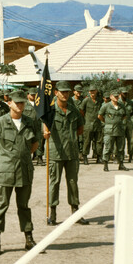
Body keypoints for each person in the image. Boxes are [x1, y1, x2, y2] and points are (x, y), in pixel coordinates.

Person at [0, 90, 40, 256]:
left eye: (22, 103)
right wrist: (0, 158)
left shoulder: (29, 122)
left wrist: (25, 156)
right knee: (2, 205)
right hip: (6, 171)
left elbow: (35, 143)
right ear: (9, 103)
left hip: (24, 170)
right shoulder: (0, 123)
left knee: (24, 206)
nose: (20, 105)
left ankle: (29, 239)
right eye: (17, 102)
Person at [44, 81, 89, 226]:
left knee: (73, 182)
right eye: (62, 92)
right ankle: (53, 213)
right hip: (55, 153)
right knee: (54, 182)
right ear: (56, 92)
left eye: (67, 92)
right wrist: (45, 132)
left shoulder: (73, 109)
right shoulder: (50, 111)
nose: (65, 94)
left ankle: (75, 212)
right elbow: (44, 127)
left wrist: (70, 138)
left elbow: (81, 127)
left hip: (72, 153)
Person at [98, 90, 129, 172]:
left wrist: (118, 122)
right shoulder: (106, 106)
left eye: (117, 96)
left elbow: (124, 116)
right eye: (114, 96)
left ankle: (121, 164)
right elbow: (100, 116)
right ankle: (105, 164)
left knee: (120, 148)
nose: (116, 97)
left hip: (119, 130)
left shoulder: (122, 106)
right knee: (108, 147)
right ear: (111, 97)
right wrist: (107, 122)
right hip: (109, 130)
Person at [80, 85, 103, 164]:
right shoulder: (86, 101)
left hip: (98, 124)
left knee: (99, 141)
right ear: (89, 92)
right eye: (91, 91)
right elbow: (81, 112)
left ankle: (99, 157)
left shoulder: (100, 100)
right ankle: (85, 157)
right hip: (88, 124)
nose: (92, 93)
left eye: (94, 91)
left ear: (96, 91)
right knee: (87, 141)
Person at [119, 87, 133, 162]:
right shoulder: (118, 102)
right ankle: (120, 157)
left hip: (129, 123)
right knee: (120, 141)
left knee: (131, 140)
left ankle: (131, 156)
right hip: (120, 124)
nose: (125, 94)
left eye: (126, 93)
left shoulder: (130, 102)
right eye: (124, 93)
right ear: (120, 93)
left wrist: (128, 116)